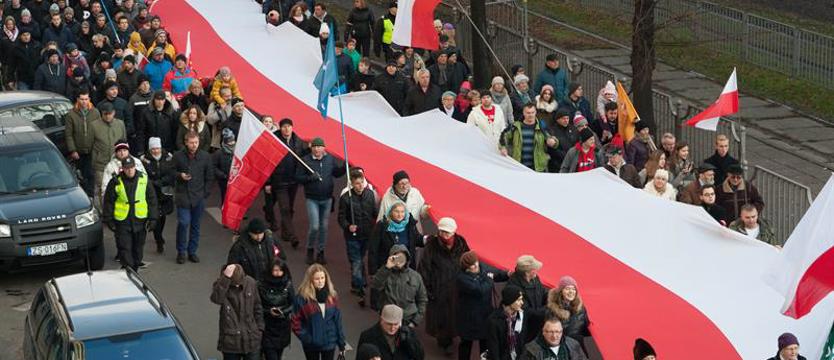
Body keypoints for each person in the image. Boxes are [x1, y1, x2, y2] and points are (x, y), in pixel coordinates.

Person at [417, 217, 470, 354]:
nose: (445, 235)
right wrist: (427, 290)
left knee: (455, 315)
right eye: (442, 232)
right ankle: (444, 342)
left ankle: (451, 336)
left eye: (448, 232)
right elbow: (424, 269)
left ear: (454, 232)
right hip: (438, 287)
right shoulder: (432, 246)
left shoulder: (461, 243)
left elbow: (467, 261)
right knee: (441, 317)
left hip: (457, 287)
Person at [295, 137, 346, 265]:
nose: (317, 149)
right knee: (315, 226)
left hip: (327, 199)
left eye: (319, 147)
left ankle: (321, 252)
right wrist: (310, 178)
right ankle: (310, 249)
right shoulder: (306, 160)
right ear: (311, 148)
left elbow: (337, 173)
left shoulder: (329, 159)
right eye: (315, 147)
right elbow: (298, 177)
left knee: (324, 227)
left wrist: (346, 166)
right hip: (312, 198)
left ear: (324, 148)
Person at [101, 157, 158, 271]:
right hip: (123, 221)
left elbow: (152, 200)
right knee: (125, 247)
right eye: (127, 168)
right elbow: (108, 202)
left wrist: (153, 218)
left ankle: (135, 266)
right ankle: (129, 269)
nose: (130, 170)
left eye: (131, 167)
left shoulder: (144, 179)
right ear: (122, 169)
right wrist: (109, 220)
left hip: (140, 220)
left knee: (138, 247)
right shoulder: (115, 182)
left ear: (134, 167)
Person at [457, 251, 508, 360]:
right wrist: (489, 279)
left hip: (484, 315)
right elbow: (480, 290)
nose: (476, 266)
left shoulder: (481, 267)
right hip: (468, 318)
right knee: (466, 345)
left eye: (476, 262)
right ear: (466, 267)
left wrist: (507, 274)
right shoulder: (462, 279)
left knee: (485, 345)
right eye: (472, 265)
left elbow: (496, 273)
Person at [291, 264, 347, 360]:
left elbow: (337, 321)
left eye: (322, 278)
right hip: (311, 344)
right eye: (317, 279)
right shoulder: (302, 299)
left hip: (329, 342)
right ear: (310, 280)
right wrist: (306, 338)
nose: (320, 281)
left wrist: (342, 343)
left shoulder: (332, 296)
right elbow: (295, 321)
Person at [173, 131, 214, 264]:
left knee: (195, 225)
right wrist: (180, 176)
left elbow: (209, 176)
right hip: (183, 195)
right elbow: (170, 172)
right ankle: (181, 251)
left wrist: (205, 193)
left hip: (198, 196)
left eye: (196, 142)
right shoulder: (178, 156)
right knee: (184, 223)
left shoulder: (205, 156)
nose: (194, 145)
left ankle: (192, 251)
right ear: (186, 142)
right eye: (191, 142)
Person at [266, 118, 308, 246]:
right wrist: (267, 182)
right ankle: (292, 236)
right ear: (280, 128)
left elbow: (301, 156)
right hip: (279, 181)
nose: (287, 129)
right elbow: (267, 163)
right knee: (284, 208)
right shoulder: (273, 140)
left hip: (293, 181)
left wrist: (309, 149)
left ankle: (285, 231)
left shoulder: (298, 141)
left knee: (289, 208)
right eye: (284, 126)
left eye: (289, 126)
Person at [338, 169, 377, 306]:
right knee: (356, 261)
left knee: (359, 259)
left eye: (361, 183)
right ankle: (360, 290)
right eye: (357, 184)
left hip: (366, 234)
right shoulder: (345, 199)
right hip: (352, 236)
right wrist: (348, 226)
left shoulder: (371, 195)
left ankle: (357, 283)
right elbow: (341, 218)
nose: (360, 186)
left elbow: (374, 214)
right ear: (352, 184)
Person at [211, 264, 264, 360]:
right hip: (231, 342)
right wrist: (226, 279)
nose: (237, 285)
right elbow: (216, 299)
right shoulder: (221, 284)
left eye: (239, 283)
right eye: (234, 284)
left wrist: (260, 329)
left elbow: (257, 307)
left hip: (252, 339)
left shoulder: (250, 282)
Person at [371, 244, 428, 327]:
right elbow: (375, 285)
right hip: (388, 320)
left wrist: (415, 321)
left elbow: (422, 299)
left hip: (407, 320)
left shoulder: (415, 276)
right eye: (396, 257)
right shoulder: (385, 273)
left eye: (402, 257)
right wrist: (387, 267)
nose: (399, 260)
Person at [499, 103, 558, 172]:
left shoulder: (542, 126)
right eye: (528, 113)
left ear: (535, 112)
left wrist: (553, 142)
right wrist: (503, 147)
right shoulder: (515, 126)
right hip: (518, 166)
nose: (530, 115)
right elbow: (503, 135)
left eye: (532, 112)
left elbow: (554, 140)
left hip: (538, 168)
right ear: (523, 113)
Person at [140, 137, 174, 254]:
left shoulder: (168, 157)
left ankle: (159, 236)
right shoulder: (144, 160)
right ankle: (158, 239)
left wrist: (162, 182)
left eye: (157, 148)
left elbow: (171, 173)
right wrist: (153, 183)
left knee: (163, 216)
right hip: (151, 192)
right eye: (153, 149)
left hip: (165, 191)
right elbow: (143, 175)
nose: (155, 151)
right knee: (156, 216)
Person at [368, 200, 421, 276]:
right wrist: (373, 272)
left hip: (406, 268)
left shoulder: (410, 224)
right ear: (391, 212)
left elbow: (417, 239)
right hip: (387, 267)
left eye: (402, 212)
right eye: (397, 211)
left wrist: (427, 239)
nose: (400, 215)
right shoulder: (382, 225)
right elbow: (373, 249)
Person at [65, 90, 102, 196]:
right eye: (82, 99)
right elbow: (69, 134)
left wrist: (97, 147)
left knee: (91, 174)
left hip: (92, 150)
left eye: (86, 99)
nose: (84, 102)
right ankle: (83, 194)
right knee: (81, 174)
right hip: (79, 150)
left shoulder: (95, 112)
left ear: (89, 99)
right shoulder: (71, 114)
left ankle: (90, 195)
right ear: (77, 100)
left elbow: (99, 131)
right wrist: (73, 150)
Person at [357, 304, 425, 360]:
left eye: (396, 324)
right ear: (381, 320)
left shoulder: (408, 333)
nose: (392, 328)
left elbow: (420, 356)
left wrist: (410, 340)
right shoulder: (367, 336)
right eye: (389, 324)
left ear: (400, 322)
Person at [228, 218, 286, 283]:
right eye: (255, 234)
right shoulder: (240, 246)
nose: (259, 237)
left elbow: (282, 257)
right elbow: (232, 267)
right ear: (249, 233)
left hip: (269, 282)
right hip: (250, 284)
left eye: (261, 233)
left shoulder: (271, 241)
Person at [91, 104, 128, 205]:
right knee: (101, 189)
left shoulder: (120, 124)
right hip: (101, 163)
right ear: (101, 113)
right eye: (105, 114)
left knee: (120, 187)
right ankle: (102, 212)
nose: (108, 116)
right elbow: (90, 145)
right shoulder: (94, 125)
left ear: (114, 113)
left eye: (110, 114)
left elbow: (124, 143)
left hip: (117, 163)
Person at [259, 259, 295, 360]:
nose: (277, 273)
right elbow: (257, 306)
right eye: (275, 270)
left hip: (282, 326)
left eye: (280, 270)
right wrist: (268, 311)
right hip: (267, 326)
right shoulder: (262, 285)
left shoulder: (287, 285)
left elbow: (293, 304)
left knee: (278, 355)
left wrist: (283, 312)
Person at [486, 285, 533, 360]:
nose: (522, 302)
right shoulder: (494, 321)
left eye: (521, 299)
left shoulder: (521, 315)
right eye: (518, 300)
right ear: (510, 300)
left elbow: (523, 341)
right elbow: (494, 349)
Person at [545, 276, 590, 352]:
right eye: (567, 289)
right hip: (561, 349)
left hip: (578, 348)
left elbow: (586, 329)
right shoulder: (552, 310)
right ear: (561, 291)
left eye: (573, 289)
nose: (571, 291)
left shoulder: (581, 308)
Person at [521, 317, 587, 360]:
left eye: (557, 332)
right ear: (543, 332)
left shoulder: (573, 345)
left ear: (562, 332)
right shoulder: (531, 349)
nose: (554, 336)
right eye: (550, 332)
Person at [213, 129, 236, 206]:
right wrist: (223, 175)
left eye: (233, 140)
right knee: (226, 196)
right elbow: (214, 167)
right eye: (229, 141)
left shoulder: (238, 151)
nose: (232, 143)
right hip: (224, 180)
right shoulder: (218, 153)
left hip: (235, 178)